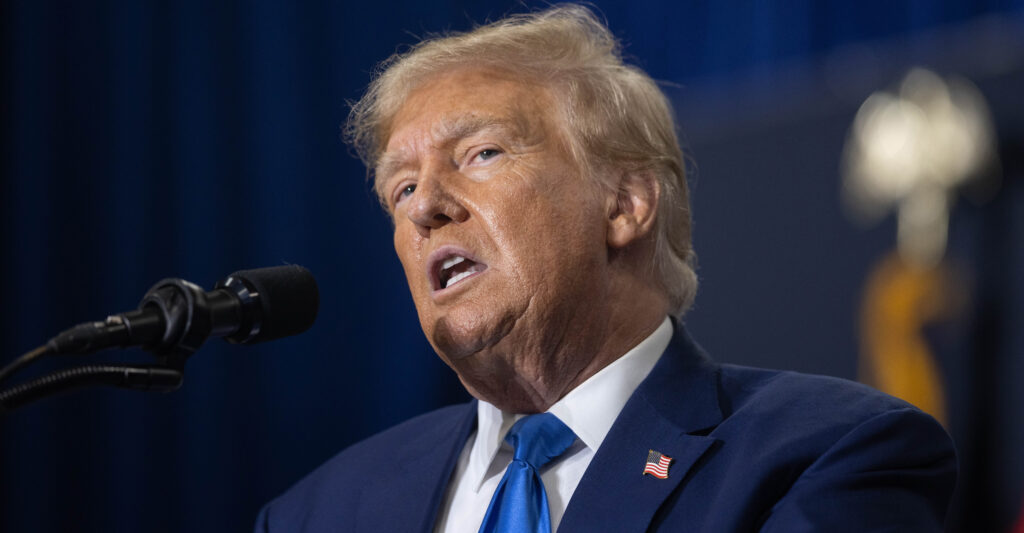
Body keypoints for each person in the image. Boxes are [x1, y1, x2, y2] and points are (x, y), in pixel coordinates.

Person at [256, 5, 956, 532]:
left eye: (481, 154)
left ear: (624, 203)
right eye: (401, 188)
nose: (426, 207)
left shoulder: (828, 455)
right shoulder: (315, 513)